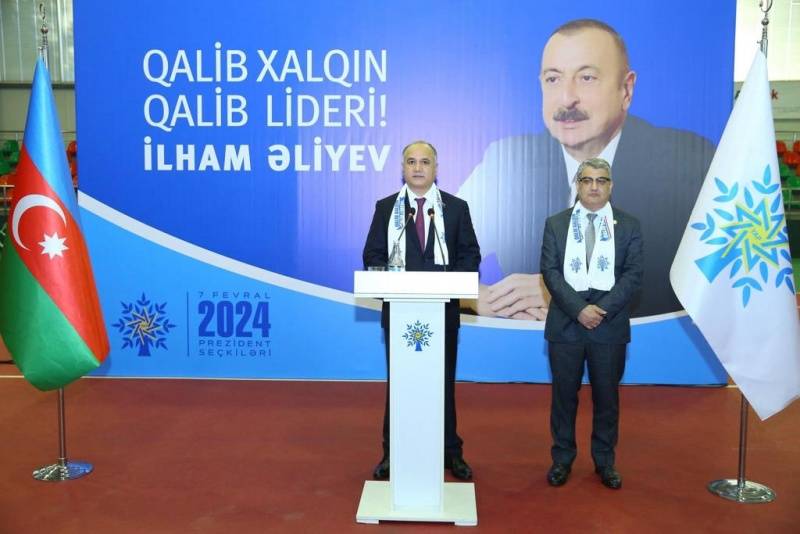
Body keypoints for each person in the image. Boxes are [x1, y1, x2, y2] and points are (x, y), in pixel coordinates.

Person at [458, 18, 713, 318]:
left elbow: (716, 285)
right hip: (528, 346)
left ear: (626, 90)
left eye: (587, 78)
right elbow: (429, 261)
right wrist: (476, 296)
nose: (567, 98)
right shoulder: (508, 162)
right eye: (553, 79)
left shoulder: (686, 164)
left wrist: (566, 296)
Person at [363, 140, 481, 481]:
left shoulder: (455, 209)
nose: (418, 168)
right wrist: (387, 277)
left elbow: (470, 255)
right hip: (400, 313)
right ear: (402, 168)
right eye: (411, 162)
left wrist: (450, 283)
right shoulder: (387, 208)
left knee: (442, 384)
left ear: (435, 168)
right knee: (400, 384)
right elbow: (372, 255)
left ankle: (450, 452)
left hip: (443, 313)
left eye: (425, 162)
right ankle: (392, 452)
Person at [540, 158, 642, 489]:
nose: (594, 187)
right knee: (563, 398)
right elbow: (550, 272)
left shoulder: (629, 225)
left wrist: (601, 310)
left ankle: (605, 462)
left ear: (611, 186)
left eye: (601, 180)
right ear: (578, 185)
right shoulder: (556, 224)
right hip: (566, 323)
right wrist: (579, 310)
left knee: (606, 398)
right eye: (587, 180)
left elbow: (633, 275)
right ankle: (562, 459)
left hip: (608, 325)